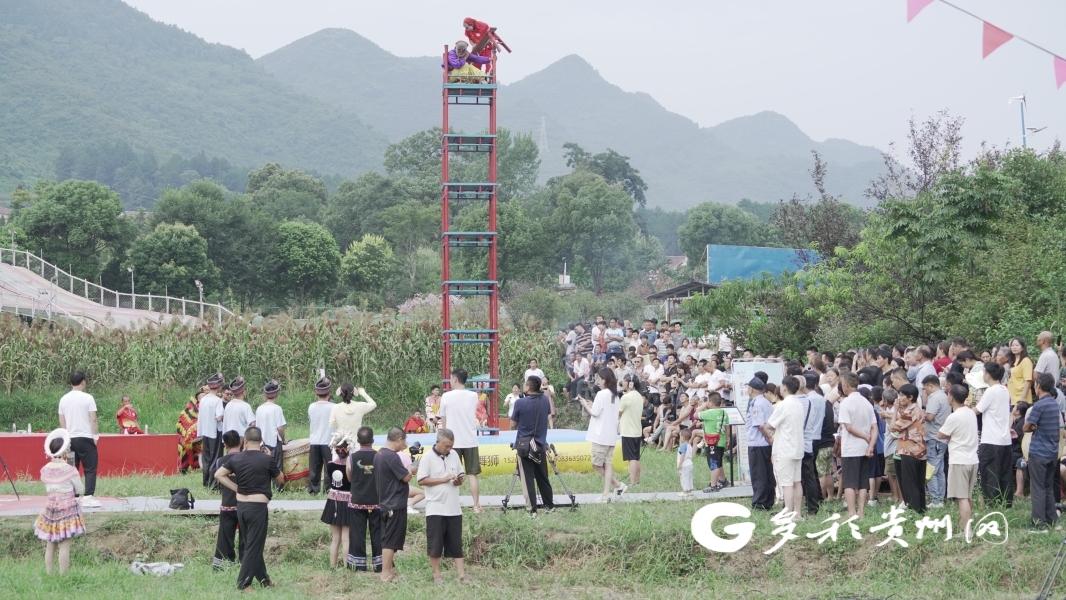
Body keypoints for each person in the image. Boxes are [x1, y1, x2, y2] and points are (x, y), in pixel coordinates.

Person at [214, 426, 285, 590]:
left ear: (244, 441)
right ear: (261, 441)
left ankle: (264, 580)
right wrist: (270, 459)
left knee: (251, 543)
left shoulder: (236, 458)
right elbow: (281, 479)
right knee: (254, 546)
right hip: (257, 508)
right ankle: (243, 583)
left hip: (241, 507)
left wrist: (236, 488)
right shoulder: (267, 459)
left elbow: (218, 474)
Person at [416, 428, 466, 583]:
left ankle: (461, 575)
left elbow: (461, 475)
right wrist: (443, 479)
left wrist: (458, 481)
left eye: (451, 446)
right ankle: (437, 575)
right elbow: (421, 480)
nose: (448, 449)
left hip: (454, 508)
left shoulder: (454, 455)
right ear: (438, 442)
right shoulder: (427, 458)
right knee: (435, 544)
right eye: (446, 446)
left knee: (456, 544)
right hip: (435, 508)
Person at [34, 429, 86, 575]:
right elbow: (80, 489)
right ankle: (64, 576)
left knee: (50, 544)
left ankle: (49, 574)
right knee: (64, 545)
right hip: (67, 509)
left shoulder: (44, 469)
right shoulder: (70, 469)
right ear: (64, 450)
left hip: (50, 509)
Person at [374, 428, 417, 583]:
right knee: (390, 540)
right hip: (395, 503)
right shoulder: (391, 456)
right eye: (404, 441)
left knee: (388, 538)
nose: (405, 444)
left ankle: (389, 570)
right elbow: (406, 477)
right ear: (399, 439)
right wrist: (412, 469)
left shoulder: (379, 454)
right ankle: (385, 573)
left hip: (385, 502)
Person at [438, 368, 483, 512]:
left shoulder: (446, 396)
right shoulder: (473, 396)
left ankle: (451, 505)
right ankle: (476, 505)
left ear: (455, 379)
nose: (450, 381)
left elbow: (443, 420)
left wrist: (444, 438)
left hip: (452, 442)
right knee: (472, 475)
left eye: (451, 378)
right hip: (470, 440)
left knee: (451, 474)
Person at [579, 368, 626, 500]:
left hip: (600, 435)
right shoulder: (614, 395)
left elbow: (595, 413)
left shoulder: (601, 394)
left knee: (597, 465)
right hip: (610, 435)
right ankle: (607, 493)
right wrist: (592, 404)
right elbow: (606, 411)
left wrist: (585, 404)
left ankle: (617, 485)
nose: (597, 381)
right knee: (608, 464)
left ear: (605, 380)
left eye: (599, 379)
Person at [511, 376, 554, 515]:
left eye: (525, 384)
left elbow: (512, 424)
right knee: (542, 476)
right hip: (540, 444)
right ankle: (549, 505)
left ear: (528, 387)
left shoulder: (520, 403)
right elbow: (548, 414)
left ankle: (532, 509)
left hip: (524, 446)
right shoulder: (545, 400)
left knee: (527, 478)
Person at [57, 371, 100, 508]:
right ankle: (88, 497)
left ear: (71, 383)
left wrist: (65, 439)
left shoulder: (63, 399)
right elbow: (93, 419)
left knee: (71, 468)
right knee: (90, 468)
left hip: (70, 439)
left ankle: (72, 497)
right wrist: (95, 436)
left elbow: (62, 421)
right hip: (86, 438)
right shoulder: (88, 398)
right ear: (83, 382)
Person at [1024, 373, 1062, 529]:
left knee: (1037, 488)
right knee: (1048, 487)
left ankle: (1038, 523)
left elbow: (1026, 427)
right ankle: (1052, 519)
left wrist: (1033, 426)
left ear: (1038, 386)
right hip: (1052, 453)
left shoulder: (1039, 405)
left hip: (1039, 453)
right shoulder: (1054, 404)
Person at [938, 384, 979, 528]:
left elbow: (940, 434)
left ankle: (966, 530)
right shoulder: (971, 413)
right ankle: (965, 524)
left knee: (962, 498)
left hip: (959, 460)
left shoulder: (954, 417)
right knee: (967, 496)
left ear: (951, 397)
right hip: (973, 459)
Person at [837, 371, 877, 518]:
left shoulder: (845, 403)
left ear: (846, 385)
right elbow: (874, 427)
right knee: (862, 482)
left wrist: (865, 436)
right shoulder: (866, 402)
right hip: (865, 448)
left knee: (849, 482)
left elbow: (848, 427)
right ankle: (861, 512)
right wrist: (870, 444)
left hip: (851, 448)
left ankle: (851, 512)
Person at [765, 376, 805, 519]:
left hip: (785, 448)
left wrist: (770, 433)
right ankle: (797, 513)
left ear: (785, 388)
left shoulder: (783, 405)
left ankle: (788, 513)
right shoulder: (799, 404)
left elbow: (770, 425)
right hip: (798, 447)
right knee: (797, 482)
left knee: (787, 484)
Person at [976, 361, 1013, 506]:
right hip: (1005, 439)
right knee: (1005, 473)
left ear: (989, 374)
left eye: (984, 372)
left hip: (991, 439)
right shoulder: (1004, 390)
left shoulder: (990, 391)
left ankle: (992, 504)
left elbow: (977, 410)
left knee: (990, 473)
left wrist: (964, 409)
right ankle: (1006, 502)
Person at [347, 426, 382, 573]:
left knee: (357, 534)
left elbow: (349, 477)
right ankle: (380, 565)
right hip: (377, 501)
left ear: (358, 441)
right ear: (373, 440)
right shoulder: (380, 456)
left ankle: (358, 566)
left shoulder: (352, 457)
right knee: (378, 533)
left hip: (357, 500)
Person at [891, 384, 927, 513]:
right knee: (917, 482)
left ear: (910, 397)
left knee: (909, 482)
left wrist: (894, 410)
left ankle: (914, 510)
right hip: (917, 450)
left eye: (902, 395)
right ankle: (920, 509)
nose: (899, 398)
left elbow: (893, 427)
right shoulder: (915, 409)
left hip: (910, 450)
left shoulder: (911, 410)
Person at [212, 430, 243, 570]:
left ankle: (222, 564)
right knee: (245, 536)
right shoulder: (245, 460)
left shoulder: (220, 461)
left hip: (227, 504)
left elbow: (219, 482)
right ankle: (244, 562)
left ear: (225, 445)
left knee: (224, 537)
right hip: (244, 504)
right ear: (241, 442)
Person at [322, 434, 352, 569]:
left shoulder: (330, 465)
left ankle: (332, 566)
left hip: (333, 501)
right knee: (346, 538)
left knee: (335, 539)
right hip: (347, 501)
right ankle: (346, 566)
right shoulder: (351, 467)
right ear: (348, 449)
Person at [746, 377, 776, 510]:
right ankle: (768, 500)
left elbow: (760, 425)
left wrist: (768, 438)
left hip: (758, 443)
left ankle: (759, 502)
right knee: (767, 473)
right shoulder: (765, 402)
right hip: (764, 443)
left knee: (758, 474)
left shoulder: (757, 403)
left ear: (752, 389)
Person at [920, 375, 950, 508]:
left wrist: (922, 415)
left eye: (925, 388)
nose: (924, 391)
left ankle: (936, 500)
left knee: (931, 470)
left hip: (933, 438)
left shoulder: (934, 397)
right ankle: (940, 498)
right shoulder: (944, 396)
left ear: (930, 386)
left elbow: (930, 416)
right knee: (939, 470)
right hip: (942, 439)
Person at [801, 372, 826, 514]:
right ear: (816, 384)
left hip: (808, 438)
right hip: (818, 435)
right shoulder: (821, 399)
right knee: (813, 470)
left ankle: (812, 500)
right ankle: (818, 496)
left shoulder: (806, 400)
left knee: (808, 472)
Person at [307, 377, 335, 495]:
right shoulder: (334, 406)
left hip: (314, 441)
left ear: (316, 393)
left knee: (314, 468)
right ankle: (328, 489)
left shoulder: (311, 406)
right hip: (328, 441)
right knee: (329, 468)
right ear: (329, 392)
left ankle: (313, 490)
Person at [197, 373, 226, 486]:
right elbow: (219, 417)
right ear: (218, 386)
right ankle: (213, 484)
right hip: (215, 432)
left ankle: (205, 481)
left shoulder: (203, 400)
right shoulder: (217, 400)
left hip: (205, 432)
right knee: (216, 457)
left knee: (207, 457)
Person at [256, 380, 287, 480]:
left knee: (263, 467)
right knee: (277, 467)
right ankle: (277, 486)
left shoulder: (259, 409)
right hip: (275, 442)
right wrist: (283, 439)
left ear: (265, 394)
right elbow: (280, 428)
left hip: (262, 443)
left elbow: (257, 427)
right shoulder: (277, 408)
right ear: (277, 393)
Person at [618, 374, 644, 487]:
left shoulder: (626, 397)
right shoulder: (639, 396)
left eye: (624, 381)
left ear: (630, 383)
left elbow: (618, 413)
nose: (622, 383)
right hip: (637, 430)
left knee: (631, 459)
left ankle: (632, 482)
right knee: (636, 457)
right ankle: (637, 481)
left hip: (628, 431)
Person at [698, 394, 728, 492]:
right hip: (721, 441)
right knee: (718, 462)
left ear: (710, 403)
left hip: (712, 442)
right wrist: (727, 439)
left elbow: (695, 415)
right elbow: (727, 427)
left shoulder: (709, 413)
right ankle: (723, 480)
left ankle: (713, 486)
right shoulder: (724, 412)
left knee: (713, 464)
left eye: (708, 401)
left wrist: (703, 405)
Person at [177, 386, 207, 475]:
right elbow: (184, 421)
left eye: (204, 396)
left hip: (204, 434)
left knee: (202, 451)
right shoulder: (191, 408)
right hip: (192, 436)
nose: (203, 399)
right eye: (201, 397)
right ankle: (190, 466)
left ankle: (202, 467)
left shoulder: (208, 405)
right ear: (197, 398)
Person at [1008, 337, 1034, 406]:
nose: (1014, 347)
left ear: (1022, 348)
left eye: (1017, 345)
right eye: (1012, 345)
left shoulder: (1026, 361)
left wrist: (1022, 400)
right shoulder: (1013, 361)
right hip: (1013, 398)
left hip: (1022, 400)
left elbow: (1028, 381)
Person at [1034, 331, 1061, 397]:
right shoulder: (1053, 354)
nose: (1037, 340)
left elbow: (1036, 374)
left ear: (1043, 341)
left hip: (1045, 392)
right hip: (1053, 390)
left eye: (1038, 338)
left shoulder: (1045, 355)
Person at [677, 428, 696, 498]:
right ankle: (689, 491)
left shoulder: (683, 445)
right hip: (690, 463)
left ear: (683, 437)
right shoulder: (689, 445)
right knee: (689, 477)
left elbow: (682, 455)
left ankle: (685, 492)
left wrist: (679, 465)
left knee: (684, 478)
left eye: (680, 436)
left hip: (684, 464)